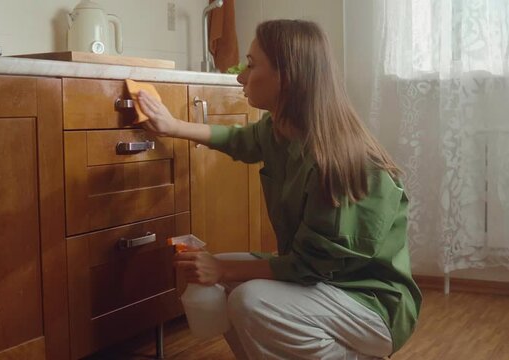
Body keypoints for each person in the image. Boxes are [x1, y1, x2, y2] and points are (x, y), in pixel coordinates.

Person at [137, 19, 422, 360]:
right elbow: (240, 140)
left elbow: (311, 266)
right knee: (215, 276)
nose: (241, 77)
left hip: (370, 303)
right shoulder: (280, 129)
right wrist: (171, 126)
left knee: (247, 297)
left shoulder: (341, 161)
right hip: (321, 283)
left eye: (252, 65)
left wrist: (224, 269)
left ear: (287, 76)